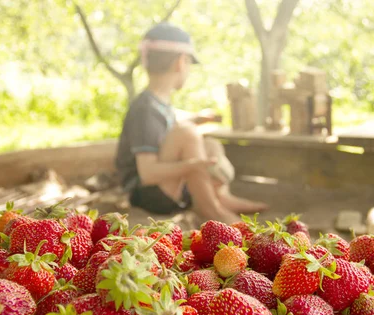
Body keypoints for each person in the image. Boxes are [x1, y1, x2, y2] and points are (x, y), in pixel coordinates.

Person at [115, 23, 268, 224]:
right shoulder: (145, 110)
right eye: (189, 65)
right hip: (146, 195)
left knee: (210, 143)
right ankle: (212, 209)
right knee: (187, 133)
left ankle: (222, 198)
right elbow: (148, 174)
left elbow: (168, 123)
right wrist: (194, 166)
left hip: (165, 188)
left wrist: (199, 117)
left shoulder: (157, 102)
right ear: (181, 62)